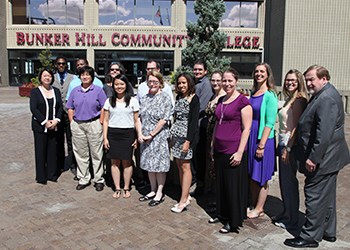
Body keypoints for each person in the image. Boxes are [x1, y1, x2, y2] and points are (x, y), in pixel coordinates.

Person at [284, 65, 350, 248]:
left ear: (324, 78)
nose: (309, 83)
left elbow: (324, 134)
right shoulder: (322, 94)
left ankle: (309, 237)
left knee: (314, 195)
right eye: (307, 80)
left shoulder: (327, 98)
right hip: (330, 158)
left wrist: (313, 158)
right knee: (326, 197)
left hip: (323, 159)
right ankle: (328, 231)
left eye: (312, 79)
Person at [209, 68, 252, 233]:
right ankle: (222, 214)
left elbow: (247, 129)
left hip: (233, 150)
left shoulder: (243, 101)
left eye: (229, 81)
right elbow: (216, 125)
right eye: (223, 81)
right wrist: (213, 146)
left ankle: (233, 221)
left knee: (232, 187)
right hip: (219, 150)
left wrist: (240, 152)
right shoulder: (221, 101)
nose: (226, 84)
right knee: (221, 186)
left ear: (236, 81)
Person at [272, 69, 308, 233]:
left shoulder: (299, 100)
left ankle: (292, 220)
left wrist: (287, 148)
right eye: (287, 80)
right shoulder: (290, 99)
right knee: (284, 183)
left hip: (289, 145)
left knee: (289, 183)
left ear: (299, 81)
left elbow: (296, 127)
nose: (290, 83)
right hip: (283, 142)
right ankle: (286, 213)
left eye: (293, 80)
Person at [66, 66, 107, 191]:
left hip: (94, 124)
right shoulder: (75, 90)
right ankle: (83, 178)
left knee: (96, 153)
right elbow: (70, 107)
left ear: (92, 77)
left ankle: (98, 179)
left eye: (87, 75)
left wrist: (100, 121)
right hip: (78, 124)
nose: (85, 77)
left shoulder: (98, 90)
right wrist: (72, 122)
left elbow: (104, 107)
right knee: (81, 153)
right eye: (82, 75)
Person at [135, 60, 175, 190]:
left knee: (159, 167)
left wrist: (151, 135)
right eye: (150, 81)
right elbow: (139, 117)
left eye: (155, 82)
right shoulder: (145, 98)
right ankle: (152, 190)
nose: (152, 84)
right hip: (145, 137)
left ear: (160, 83)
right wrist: (140, 134)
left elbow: (164, 119)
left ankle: (159, 192)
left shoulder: (165, 97)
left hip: (158, 137)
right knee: (149, 166)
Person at [247, 63, 278, 219]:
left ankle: (260, 208)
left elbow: (270, 123)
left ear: (267, 74)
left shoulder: (270, 95)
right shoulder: (254, 92)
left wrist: (261, 145)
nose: (259, 74)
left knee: (262, 175)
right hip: (251, 137)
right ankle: (253, 204)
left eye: (262, 71)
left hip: (262, 139)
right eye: (257, 71)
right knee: (253, 173)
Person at [103, 74, 139, 199]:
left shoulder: (133, 101)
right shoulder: (109, 101)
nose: (119, 87)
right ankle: (117, 187)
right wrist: (105, 138)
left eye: (122, 84)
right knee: (114, 162)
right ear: (113, 85)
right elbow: (106, 120)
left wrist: (136, 137)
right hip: (113, 134)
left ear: (126, 85)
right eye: (116, 84)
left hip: (128, 134)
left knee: (127, 162)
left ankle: (126, 187)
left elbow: (136, 121)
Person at [170, 73, 200, 213]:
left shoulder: (194, 99)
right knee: (179, 165)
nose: (181, 86)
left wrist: (188, 141)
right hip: (176, 136)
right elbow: (176, 118)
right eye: (179, 83)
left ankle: (183, 201)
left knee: (186, 167)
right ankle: (185, 195)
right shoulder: (178, 97)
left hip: (186, 138)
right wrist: (172, 137)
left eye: (184, 83)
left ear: (189, 83)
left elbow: (194, 123)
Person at [30, 68, 63, 184]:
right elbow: (34, 109)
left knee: (52, 151)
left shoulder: (56, 91)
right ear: (40, 78)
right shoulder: (35, 92)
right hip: (40, 127)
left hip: (54, 126)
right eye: (44, 76)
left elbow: (59, 107)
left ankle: (52, 174)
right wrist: (45, 121)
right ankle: (41, 177)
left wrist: (56, 120)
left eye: (49, 76)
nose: (47, 78)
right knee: (40, 152)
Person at [52, 56, 76, 174]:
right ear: (56, 65)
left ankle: (73, 164)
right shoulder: (52, 78)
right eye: (59, 64)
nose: (61, 65)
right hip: (56, 114)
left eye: (63, 63)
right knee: (58, 140)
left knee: (71, 140)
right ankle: (59, 165)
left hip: (69, 113)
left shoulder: (73, 78)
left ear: (66, 65)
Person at [191, 59, 213, 193]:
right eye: (195, 69)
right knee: (193, 155)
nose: (197, 72)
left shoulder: (206, 85)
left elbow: (202, 107)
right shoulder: (195, 83)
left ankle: (199, 183)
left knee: (198, 156)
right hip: (194, 126)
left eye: (200, 69)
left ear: (205, 71)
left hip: (200, 126)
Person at [204, 70, 226, 187]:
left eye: (218, 80)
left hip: (218, 136)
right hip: (209, 135)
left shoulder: (224, 97)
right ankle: (216, 197)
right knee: (212, 168)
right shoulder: (214, 96)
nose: (215, 83)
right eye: (213, 80)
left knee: (218, 167)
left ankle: (220, 200)